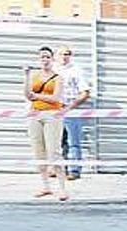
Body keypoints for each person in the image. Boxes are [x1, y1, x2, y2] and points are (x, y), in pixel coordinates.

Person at [24, 46, 67, 201]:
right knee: (38, 151)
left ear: (52, 59)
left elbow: (56, 98)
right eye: (42, 57)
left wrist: (37, 95)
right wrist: (26, 75)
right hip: (35, 114)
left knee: (54, 151)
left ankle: (62, 188)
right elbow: (28, 95)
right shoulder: (35, 76)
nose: (45, 60)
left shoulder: (58, 77)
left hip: (52, 115)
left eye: (48, 57)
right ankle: (46, 186)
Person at [57, 45, 91, 181]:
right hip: (54, 110)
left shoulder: (76, 71)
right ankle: (59, 170)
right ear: (56, 56)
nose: (64, 57)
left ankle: (74, 171)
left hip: (71, 110)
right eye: (61, 54)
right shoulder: (53, 70)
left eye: (67, 54)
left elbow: (85, 92)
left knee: (73, 142)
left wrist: (70, 107)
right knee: (57, 142)